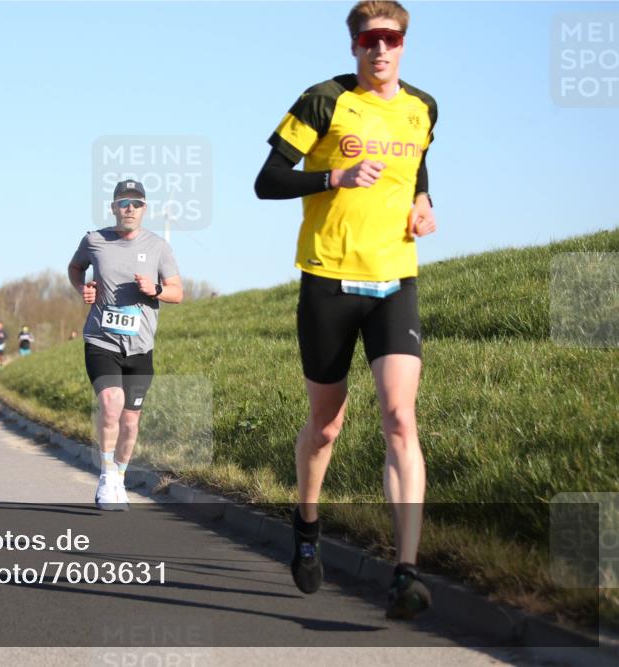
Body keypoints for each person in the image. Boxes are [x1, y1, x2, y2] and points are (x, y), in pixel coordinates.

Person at [254, 0, 437, 620]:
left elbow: (417, 164)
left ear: (404, 45)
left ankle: (405, 574)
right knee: (326, 425)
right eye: (367, 40)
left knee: (400, 420)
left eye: (389, 39)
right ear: (353, 46)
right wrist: (334, 178)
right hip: (329, 282)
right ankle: (307, 522)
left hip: (395, 281)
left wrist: (424, 202)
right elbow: (268, 179)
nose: (378, 50)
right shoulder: (323, 100)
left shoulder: (422, 108)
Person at [68, 179, 183, 511]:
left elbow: (177, 292)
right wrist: (82, 289)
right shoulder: (94, 240)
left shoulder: (159, 246)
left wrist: (155, 290)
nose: (129, 208)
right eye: (123, 203)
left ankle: (119, 475)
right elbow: (75, 268)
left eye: (135, 203)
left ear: (144, 208)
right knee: (110, 404)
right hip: (101, 340)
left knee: (131, 421)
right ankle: (106, 476)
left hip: (140, 347)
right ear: (113, 207)